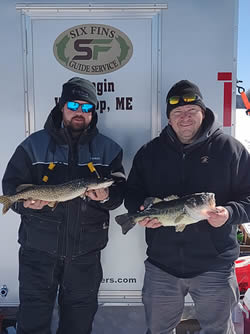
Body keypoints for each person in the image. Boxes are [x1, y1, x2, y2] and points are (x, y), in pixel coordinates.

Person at [124, 80, 250, 334]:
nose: (185, 118)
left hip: (215, 267)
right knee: (158, 330)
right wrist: (143, 209)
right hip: (162, 267)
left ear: (203, 113)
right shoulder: (149, 153)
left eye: (192, 111)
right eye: (177, 113)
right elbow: (133, 193)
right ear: (169, 119)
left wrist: (229, 214)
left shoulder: (230, 150)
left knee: (217, 330)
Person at [2, 77, 126, 334]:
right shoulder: (32, 145)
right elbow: (11, 187)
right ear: (62, 106)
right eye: (73, 105)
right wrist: (24, 205)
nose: (79, 112)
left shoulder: (109, 150)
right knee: (32, 321)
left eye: (86, 107)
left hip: (85, 254)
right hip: (37, 251)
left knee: (78, 324)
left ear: (93, 112)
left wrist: (104, 197)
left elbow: (119, 194)